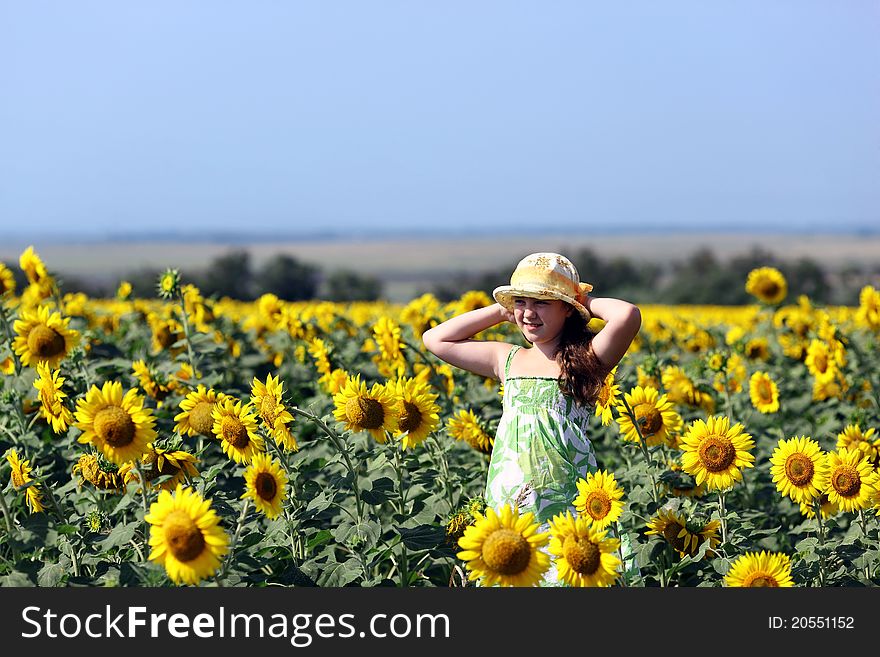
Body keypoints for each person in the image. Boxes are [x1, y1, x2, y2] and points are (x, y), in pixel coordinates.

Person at [422, 252, 641, 585]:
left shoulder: (587, 359)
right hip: (510, 494)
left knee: (567, 574)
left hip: (565, 493)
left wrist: (582, 298)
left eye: (541, 302)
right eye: (521, 302)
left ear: (567, 308)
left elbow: (627, 315)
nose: (528, 313)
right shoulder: (506, 359)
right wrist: (501, 311)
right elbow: (434, 339)